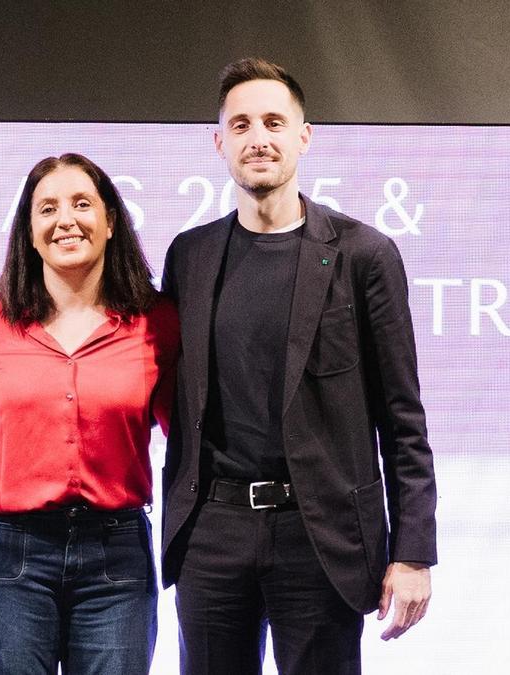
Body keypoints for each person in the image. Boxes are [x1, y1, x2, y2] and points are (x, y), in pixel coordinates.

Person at [159, 58, 438, 674]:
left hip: (321, 535)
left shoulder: (365, 254)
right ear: (219, 142)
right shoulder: (191, 255)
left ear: (303, 136)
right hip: (213, 531)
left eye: (274, 122)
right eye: (241, 125)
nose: (258, 137)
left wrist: (413, 551)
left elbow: (402, 415)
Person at [0, 153, 180, 674]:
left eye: (82, 204)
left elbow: (182, 430)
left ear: (109, 223)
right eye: (48, 208)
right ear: (30, 232)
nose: (66, 220)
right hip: (10, 549)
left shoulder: (158, 321)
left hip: (116, 552)